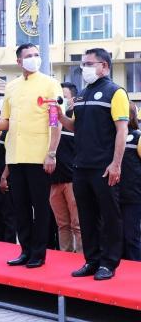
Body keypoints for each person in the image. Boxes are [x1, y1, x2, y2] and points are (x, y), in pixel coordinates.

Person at [59, 48, 129, 280]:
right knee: (87, 216)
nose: (84, 68)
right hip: (81, 166)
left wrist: (116, 164)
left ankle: (108, 263)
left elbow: (122, 131)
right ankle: (91, 260)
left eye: (89, 64)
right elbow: (75, 127)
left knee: (109, 216)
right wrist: (59, 116)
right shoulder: (81, 95)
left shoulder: (115, 92)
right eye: (83, 64)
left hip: (104, 167)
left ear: (104, 66)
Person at [0, 43, 63, 268]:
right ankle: (25, 250)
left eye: (36, 54)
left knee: (40, 207)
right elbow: (6, 121)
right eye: (28, 56)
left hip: (39, 155)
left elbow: (55, 122)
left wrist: (51, 153)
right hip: (15, 154)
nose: (34, 58)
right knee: (20, 206)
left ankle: (39, 253)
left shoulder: (50, 83)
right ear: (19, 61)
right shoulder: (11, 86)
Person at [50, 82, 82, 253]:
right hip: (54, 180)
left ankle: (83, 257)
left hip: (72, 180)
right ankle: (65, 256)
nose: (59, 100)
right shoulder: (51, 120)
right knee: (62, 225)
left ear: (72, 99)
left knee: (78, 225)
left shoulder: (76, 122)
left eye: (63, 97)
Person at [119, 102, 141, 261]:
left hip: (133, 195)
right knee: (116, 238)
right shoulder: (111, 137)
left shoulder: (138, 136)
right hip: (113, 194)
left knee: (131, 237)